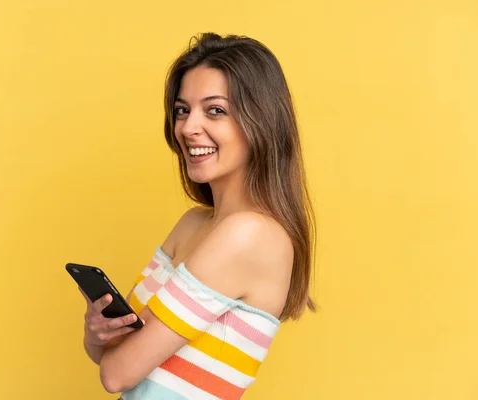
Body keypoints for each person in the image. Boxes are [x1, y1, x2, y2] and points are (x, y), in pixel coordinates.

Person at [78, 32, 316, 399]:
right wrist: (96, 333)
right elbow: (112, 354)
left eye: (215, 110)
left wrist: (111, 352)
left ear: (260, 121)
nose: (188, 128)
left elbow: (117, 374)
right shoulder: (193, 223)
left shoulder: (248, 235)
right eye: (182, 110)